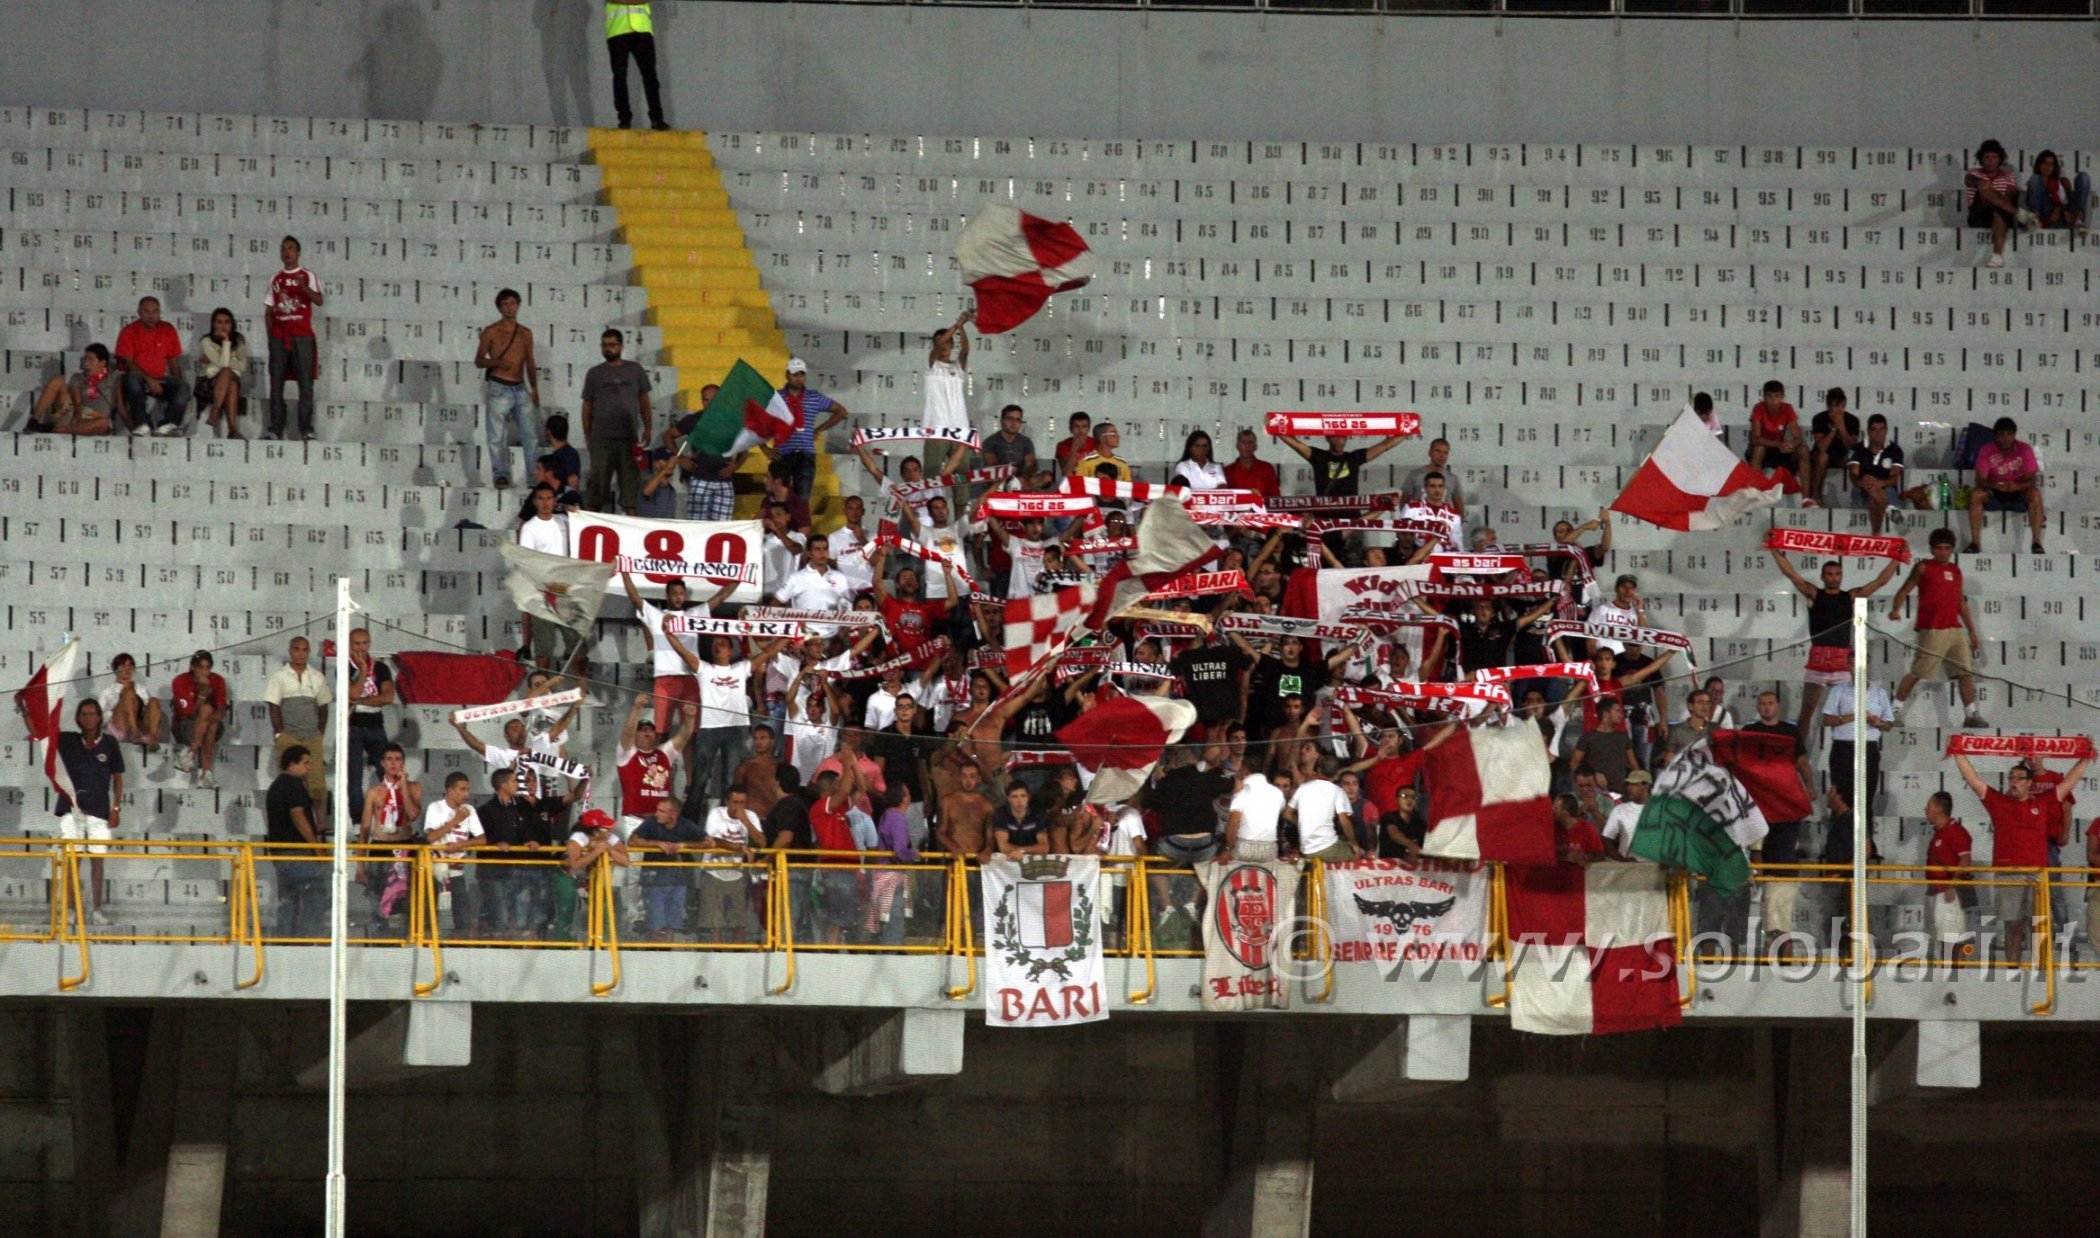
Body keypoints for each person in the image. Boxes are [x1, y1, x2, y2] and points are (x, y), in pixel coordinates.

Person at [1952, 752, 2090, 965]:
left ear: (2029, 783)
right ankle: (2012, 969)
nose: (2013, 782)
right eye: (2011, 777)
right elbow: (1972, 779)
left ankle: (2042, 969)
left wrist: (2086, 757)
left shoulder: (2043, 802)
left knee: (2040, 925)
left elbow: (2069, 782)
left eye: (2019, 778)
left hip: (2037, 874)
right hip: (2009, 873)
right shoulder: (1998, 803)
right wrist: (1958, 753)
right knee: (2013, 926)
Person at [1771, 551, 1899, 746]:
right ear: (1823, 577)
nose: (1833, 578)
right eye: (1829, 574)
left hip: (1842, 665)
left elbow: (1880, 581)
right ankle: (1797, 755)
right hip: (1818, 664)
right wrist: (1773, 550)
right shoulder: (1815, 594)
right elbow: (1791, 574)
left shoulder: (1851, 597)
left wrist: (1897, 557)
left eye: (1837, 574)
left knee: (1856, 709)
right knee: (1806, 714)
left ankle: (1856, 749)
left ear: (1841, 576)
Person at [1890, 528, 1986, 728]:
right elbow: (1905, 588)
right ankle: (1894, 710)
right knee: (1918, 671)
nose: (1943, 552)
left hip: (1954, 628)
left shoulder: (1955, 570)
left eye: (1947, 548)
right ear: (1932, 549)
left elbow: (1960, 602)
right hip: (1932, 628)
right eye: (1939, 548)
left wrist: (1972, 631)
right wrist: (1895, 609)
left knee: (1965, 672)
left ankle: (1971, 714)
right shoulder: (1923, 567)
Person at [53, 700, 125, 926]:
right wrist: (26, 709)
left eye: (92, 714)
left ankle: (96, 909)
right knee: (73, 860)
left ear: (99, 718)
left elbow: (118, 778)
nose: (88, 718)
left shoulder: (110, 743)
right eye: (84, 714)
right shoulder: (68, 740)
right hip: (71, 808)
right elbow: (39, 733)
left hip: (99, 810)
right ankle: (71, 910)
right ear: (78, 717)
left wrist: (115, 808)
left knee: (97, 861)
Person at [265, 636, 332, 831]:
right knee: (289, 782)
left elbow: (324, 708)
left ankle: (320, 824)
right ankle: (290, 823)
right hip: (289, 736)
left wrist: (319, 733)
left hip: (311, 735)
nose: (301, 653)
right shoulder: (280, 676)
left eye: (305, 650)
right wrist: (279, 734)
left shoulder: (317, 677)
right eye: (297, 649)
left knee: (317, 784)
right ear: (290, 650)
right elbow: (273, 706)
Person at [476, 288, 541, 489]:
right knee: (496, 436)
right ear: (499, 307)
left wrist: (535, 388)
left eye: (513, 303)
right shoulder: (491, 331)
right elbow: (479, 360)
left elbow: (530, 362)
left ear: (518, 305)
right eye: (505, 304)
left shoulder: (525, 333)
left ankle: (533, 477)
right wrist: (497, 362)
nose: (510, 307)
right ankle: (500, 475)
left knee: (530, 436)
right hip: (499, 386)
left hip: (520, 387)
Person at [581, 329, 651, 515]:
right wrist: (588, 435)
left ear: (621, 346)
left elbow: (644, 400)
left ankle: (632, 534)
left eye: (612, 345)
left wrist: (648, 428)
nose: (608, 349)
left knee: (629, 494)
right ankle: (592, 530)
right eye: (604, 345)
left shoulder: (635, 369)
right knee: (596, 491)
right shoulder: (594, 373)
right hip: (602, 439)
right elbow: (587, 405)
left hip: (629, 438)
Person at [263, 235, 324, 441]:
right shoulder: (275, 279)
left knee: (306, 384)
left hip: (302, 336)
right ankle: (275, 428)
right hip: (280, 337)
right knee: (276, 383)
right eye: (283, 249)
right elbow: (269, 310)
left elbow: (319, 300)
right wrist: (272, 339)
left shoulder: (308, 275)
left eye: (290, 248)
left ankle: (305, 428)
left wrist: (303, 287)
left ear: (297, 253)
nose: (286, 252)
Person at [266, 745, 331, 936]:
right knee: (314, 897)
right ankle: (308, 940)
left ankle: (285, 941)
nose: (309, 768)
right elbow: (298, 814)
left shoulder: (276, 786)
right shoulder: (293, 784)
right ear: (292, 763)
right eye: (305, 763)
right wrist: (316, 847)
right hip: (297, 853)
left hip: (280, 854)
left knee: (288, 900)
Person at [517, 484, 579, 672]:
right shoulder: (529, 528)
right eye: (541, 499)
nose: (545, 503)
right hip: (543, 592)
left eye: (549, 498)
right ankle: (543, 687)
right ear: (535, 502)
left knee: (576, 644)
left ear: (555, 501)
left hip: (566, 590)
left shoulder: (565, 521)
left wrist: (574, 511)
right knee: (544, 646)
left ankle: (583, 689)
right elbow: (527, 561)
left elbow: (586, 522)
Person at [1821, 677, 1892, 840]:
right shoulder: (1838, 690)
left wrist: (1878, 723)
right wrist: (1853, 716)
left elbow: (1888, 724)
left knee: (1865, 799)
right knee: (1840, 798)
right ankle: (1839, 844)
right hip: (1843, 748)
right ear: (1849, 666)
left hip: (1868, 748)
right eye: (1852, 665)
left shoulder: (1879, 693)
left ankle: (1866, 846)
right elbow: (1826, 720)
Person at [767, 359, 847, 503]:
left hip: (805, 455)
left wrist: (820, 429)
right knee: (778, 501)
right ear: (787, 375)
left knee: (801, 502)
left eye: (801, 374)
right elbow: (756, 420)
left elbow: (841, 411)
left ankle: (797, 526)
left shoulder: (814, 397)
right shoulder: (776, 397)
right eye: (795, 374)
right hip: (782, 454)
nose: (798, 378)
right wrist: (764, 448)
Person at [1965, 416, 2045, 555]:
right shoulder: (1986, 450)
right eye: (2001, 434)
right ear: (1996, 436)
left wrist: (2016, 487)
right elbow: (1980, 481)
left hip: (2019, 494)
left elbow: (2032, 480)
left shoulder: (2024, 449)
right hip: (1995, 493)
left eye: (2009, 434)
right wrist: (1996, 485)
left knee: (2035, 494)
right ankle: (1975, 543)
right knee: (1976, 494)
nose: (2005, 438)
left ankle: (2036, 543)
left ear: (2014, 435)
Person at [627, 796, 703, 941]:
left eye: (661, 811)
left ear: (673, 814)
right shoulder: (650, 823)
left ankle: (667, 950)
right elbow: (632, 841)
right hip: (653, 876)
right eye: (657, 810)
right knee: (654, 919)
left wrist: (684, 845)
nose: (657, 814)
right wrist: (657, 843)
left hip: (676, 877)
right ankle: (653, 950)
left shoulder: (685, 825)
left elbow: (709, 843)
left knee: (672, 921)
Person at [113, 295, 189, 436]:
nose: (151, 316)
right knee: (132, 379)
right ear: (139, 312)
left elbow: (173, 362)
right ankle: (142, 424)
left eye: (155, 311)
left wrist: (177, 385)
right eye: (147, 311)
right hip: (137, 378)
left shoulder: (168, 330)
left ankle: (168, 425)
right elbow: (128, 363)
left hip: (160, 379)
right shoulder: (129, 331)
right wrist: (150, 381)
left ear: (159, 313)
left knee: (184, 387)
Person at [423, 772, 485, 931]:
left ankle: (460, 948)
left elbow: (483, 839)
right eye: (462, 789)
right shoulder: (435, 807)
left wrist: (462, 844)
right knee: (429, 917)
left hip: (457, 871)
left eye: (468, 790)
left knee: (463, 918)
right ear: (450, 790)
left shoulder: (469, 809)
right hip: (434, 871)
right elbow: (431, 837)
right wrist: (456, 820)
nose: (466, 794)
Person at [1964, 139, 2037, 269]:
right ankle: (2021, 214)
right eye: (1986, 157)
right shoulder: (1973, 174)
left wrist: (1996, 200)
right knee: (1984, 185)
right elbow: (1970, 181)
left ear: (2000, 159)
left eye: (1994, 157)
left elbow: (2009, 198)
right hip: (1979, 213)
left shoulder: (2009, 177)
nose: (1990, 160)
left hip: (1999, 215)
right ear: (1981, 159)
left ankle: (1997, 256)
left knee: (1999, 211)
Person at [344, 627, 395, 807]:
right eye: (357, 643)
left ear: (370, 643)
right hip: (352, 727)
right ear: (349, 644)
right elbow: (353, 692)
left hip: (376, 725)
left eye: (365, 643)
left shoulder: (381, 667)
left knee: (388, 772)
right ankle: (358, 822)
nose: (361, 647)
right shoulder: (345, 666)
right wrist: (364, 669)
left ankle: (390, 816)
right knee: (354, 777)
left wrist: (360, 701)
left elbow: (388, 697)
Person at [1922, 791, 1974, 964]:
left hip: (1948, 893)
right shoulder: (1939, 832)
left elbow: (1965, 860)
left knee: (1951, 937)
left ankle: (1956, 978)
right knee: (1939, 935)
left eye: (1929, 806)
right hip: (1935, 891)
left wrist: (1953, 885)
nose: (1925, 809)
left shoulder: (1956, 832)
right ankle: (1944, 976)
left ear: (1939, 809)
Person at [28, 345, 125, 436]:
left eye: (90, 359)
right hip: (76, 415)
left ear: (102, 363)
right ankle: (34, 421)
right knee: (58, 381)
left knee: (103, 423)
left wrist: (132, 428)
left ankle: (54, 430)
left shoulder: (113, 379)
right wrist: (78, 414)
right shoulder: (78, 377)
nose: (86, 362)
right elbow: (76, 400)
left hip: (95, 420)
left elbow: (121, 407)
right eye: (85, 359)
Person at [1277, 431, 1408, 498]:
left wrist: (1408, 430)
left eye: (1342, 437)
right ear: (1327, 438)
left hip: (1350, 514)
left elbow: (1384, 446)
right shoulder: (1319, 457)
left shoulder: (1354, 458)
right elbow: (1295, 444)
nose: (1339, 441)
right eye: (1335, 437)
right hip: (1326, 514)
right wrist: (1276, 427)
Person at [604, 0, 668, 130]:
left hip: (642, 31)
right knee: (620, 76)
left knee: (650, 76)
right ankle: (624, 118)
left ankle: (657, 118)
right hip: (617, 31)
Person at [170, 650, 228, 790]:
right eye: (201, 667)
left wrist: (211, 716)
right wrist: (203, 694)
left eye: (207, 668)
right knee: (210, 718)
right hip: (184, 725)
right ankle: (206, 773)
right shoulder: (180, 681)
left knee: (212, 718)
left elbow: (222, 710)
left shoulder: (218, 680)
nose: (204, 671)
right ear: (192, 667)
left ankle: (190, 753)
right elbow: (189, 714)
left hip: (208, 725)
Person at [1286, 759, 1358, 864]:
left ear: (1318, 770)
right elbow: (1344, 822)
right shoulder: (1337, 791)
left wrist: (1304, 825)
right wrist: (1355, 845)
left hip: (1305, 849)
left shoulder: (1303, 788)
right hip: (1327, 848)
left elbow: (1287, 814)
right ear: (1337, 773)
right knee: (1360, 853)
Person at [97, 653, 164, 762]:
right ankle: (134, 733)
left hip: (141, 725)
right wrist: (111, 712)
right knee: (128, 694)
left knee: (154, 701)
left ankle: (152, 738)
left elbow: (150, 711)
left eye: (130, 666)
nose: (127, 670)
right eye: (123, 666)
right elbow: (99, 719)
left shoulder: (142, 689)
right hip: (120, 727)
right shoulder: (107, 692)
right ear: (115, 669)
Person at [1845, 414, 1905, 535]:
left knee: (1876, 494)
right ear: (1868, 431)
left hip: (1886, 491)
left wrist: (1878, 483)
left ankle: (1875, 533)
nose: (1878, 433)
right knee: (1868, 483)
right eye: (1874, 429)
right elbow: (1853, 476)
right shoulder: (1857, 448)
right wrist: (1865, 483)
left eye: (1881, 429)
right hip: (1862, 492)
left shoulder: (1895, 450)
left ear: (1886, 430)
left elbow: (1894, 479)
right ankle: (1893, 514)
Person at [193, 307, 248, 439]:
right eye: (219, 322)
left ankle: (216, 413)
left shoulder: (239, 339)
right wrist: (226, 344)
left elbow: (242, 365)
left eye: (227, 322)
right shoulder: (206, 341)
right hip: (207, 383)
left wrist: (223, 352)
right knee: (229, 375)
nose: (223, 326)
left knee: (230, 378)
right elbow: (225, 365)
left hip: (227, 380)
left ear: (232, 324)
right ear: (213, 324)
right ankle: (232, 429)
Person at [1746, 381, 1810, 493]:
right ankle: (1754, 494)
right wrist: (1779, 444)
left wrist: (1790, 445)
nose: (1774, 401)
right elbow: (1755, 438)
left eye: (1777, 396)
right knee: (1759, 449)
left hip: (1779, 449)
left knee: (1803, 450)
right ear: (1764, 397)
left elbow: (1798, 438)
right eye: (1769, 396)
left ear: (1782, 397)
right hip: (1764, 449)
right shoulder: (1759, 408)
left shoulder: (1787, 408)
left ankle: (1806, 498)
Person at [1806, 388, 1859, 510]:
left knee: (1856, 459)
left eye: (1842, 406)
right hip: (1822, 454)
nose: (1839, 410)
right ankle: (1816, 495)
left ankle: (1858, 499)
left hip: (1842, 455)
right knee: (1822, 457)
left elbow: (1851, 447)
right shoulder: (1819, 419)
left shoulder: (1852, 420)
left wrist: (1842, 428)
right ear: (1829, 406)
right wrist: (1834, 428)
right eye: (1836, 406)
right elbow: (1822, 446)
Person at [1225, 768, 1287, 862]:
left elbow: (1233, 822)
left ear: (1246, 773)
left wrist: (1228, 848)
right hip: (1269, 850)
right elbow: (1281, 811)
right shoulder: (1278, 793)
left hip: (1244, 848)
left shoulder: (1241, 793)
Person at [2023, 149, 2090, 232]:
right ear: (2039, 165)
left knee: (2083, 176)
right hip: (2047, 216)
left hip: (2066, 217)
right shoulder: (2034, 182)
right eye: (2044, 163)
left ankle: (2079, 220)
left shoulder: (2060, 182)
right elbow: (2032, 201)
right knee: (2035, 178)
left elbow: (2068, 201)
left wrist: (2063, 210)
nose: (2047, 166)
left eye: (2051, 164)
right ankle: (2033, 220)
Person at [1400, 437, 1467, 516]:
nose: (1442, 456)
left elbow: (1459, 507)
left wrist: (1457, 524)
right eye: (1438, 451)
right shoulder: (1415, 475)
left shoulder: (1453, 479)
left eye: (1445, 453)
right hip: (1420, 521)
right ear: (1430, 452)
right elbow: (1404, 502)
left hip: (1445, 521)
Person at [1600, 768, 1653, 860]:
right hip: (1628, 868)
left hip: (1654, 867)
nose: (1630, 788)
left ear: (1646, 786)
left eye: (1635, 785)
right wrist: (1622, 860)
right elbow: (1606, 839)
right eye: (1629, 784)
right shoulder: (1620, 810)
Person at [991, 781, 1051, 859]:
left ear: (1028, 797)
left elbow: (1044, 847)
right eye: (1015, 797)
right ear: (1009, 798)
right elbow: (1003, 846)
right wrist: (1027, 850)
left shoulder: (1037, 814)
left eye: (1023, 796)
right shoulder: (1001, 813)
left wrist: (1022, 851)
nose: (1019, 801)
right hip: (1007, 861)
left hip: (1030, 860)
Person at [1223, 428, 1281, 501]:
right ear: (1237, 446)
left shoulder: (1267, 468)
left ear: (1256, 446)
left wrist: (1259, 498)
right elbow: (1226, 498)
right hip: (1238, 511)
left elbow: (1275, 497)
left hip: (1263, 510)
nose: (1247, 446)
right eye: (1243, 442)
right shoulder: (1228, 471)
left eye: (1250, 442)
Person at [981, 404, 1037, 479]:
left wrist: (1022, 480)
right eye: (1010, 419)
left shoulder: (1026, 442)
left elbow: (1030, 464)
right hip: (996, 483)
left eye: (1017, 419)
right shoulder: (990, 442)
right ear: (1002, 421)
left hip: (1020, 482)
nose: (1014, 423)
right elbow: (993, 467)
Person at [1053, 412, 1095, 479]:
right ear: (1070, 428)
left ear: (1089, 429)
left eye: (1084, 426)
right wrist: (1074, 448)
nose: (1080, 430)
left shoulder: (1096, 444)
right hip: (1072, 481)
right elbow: (1066, 472)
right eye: (1077, 426)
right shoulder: (1062, 445)